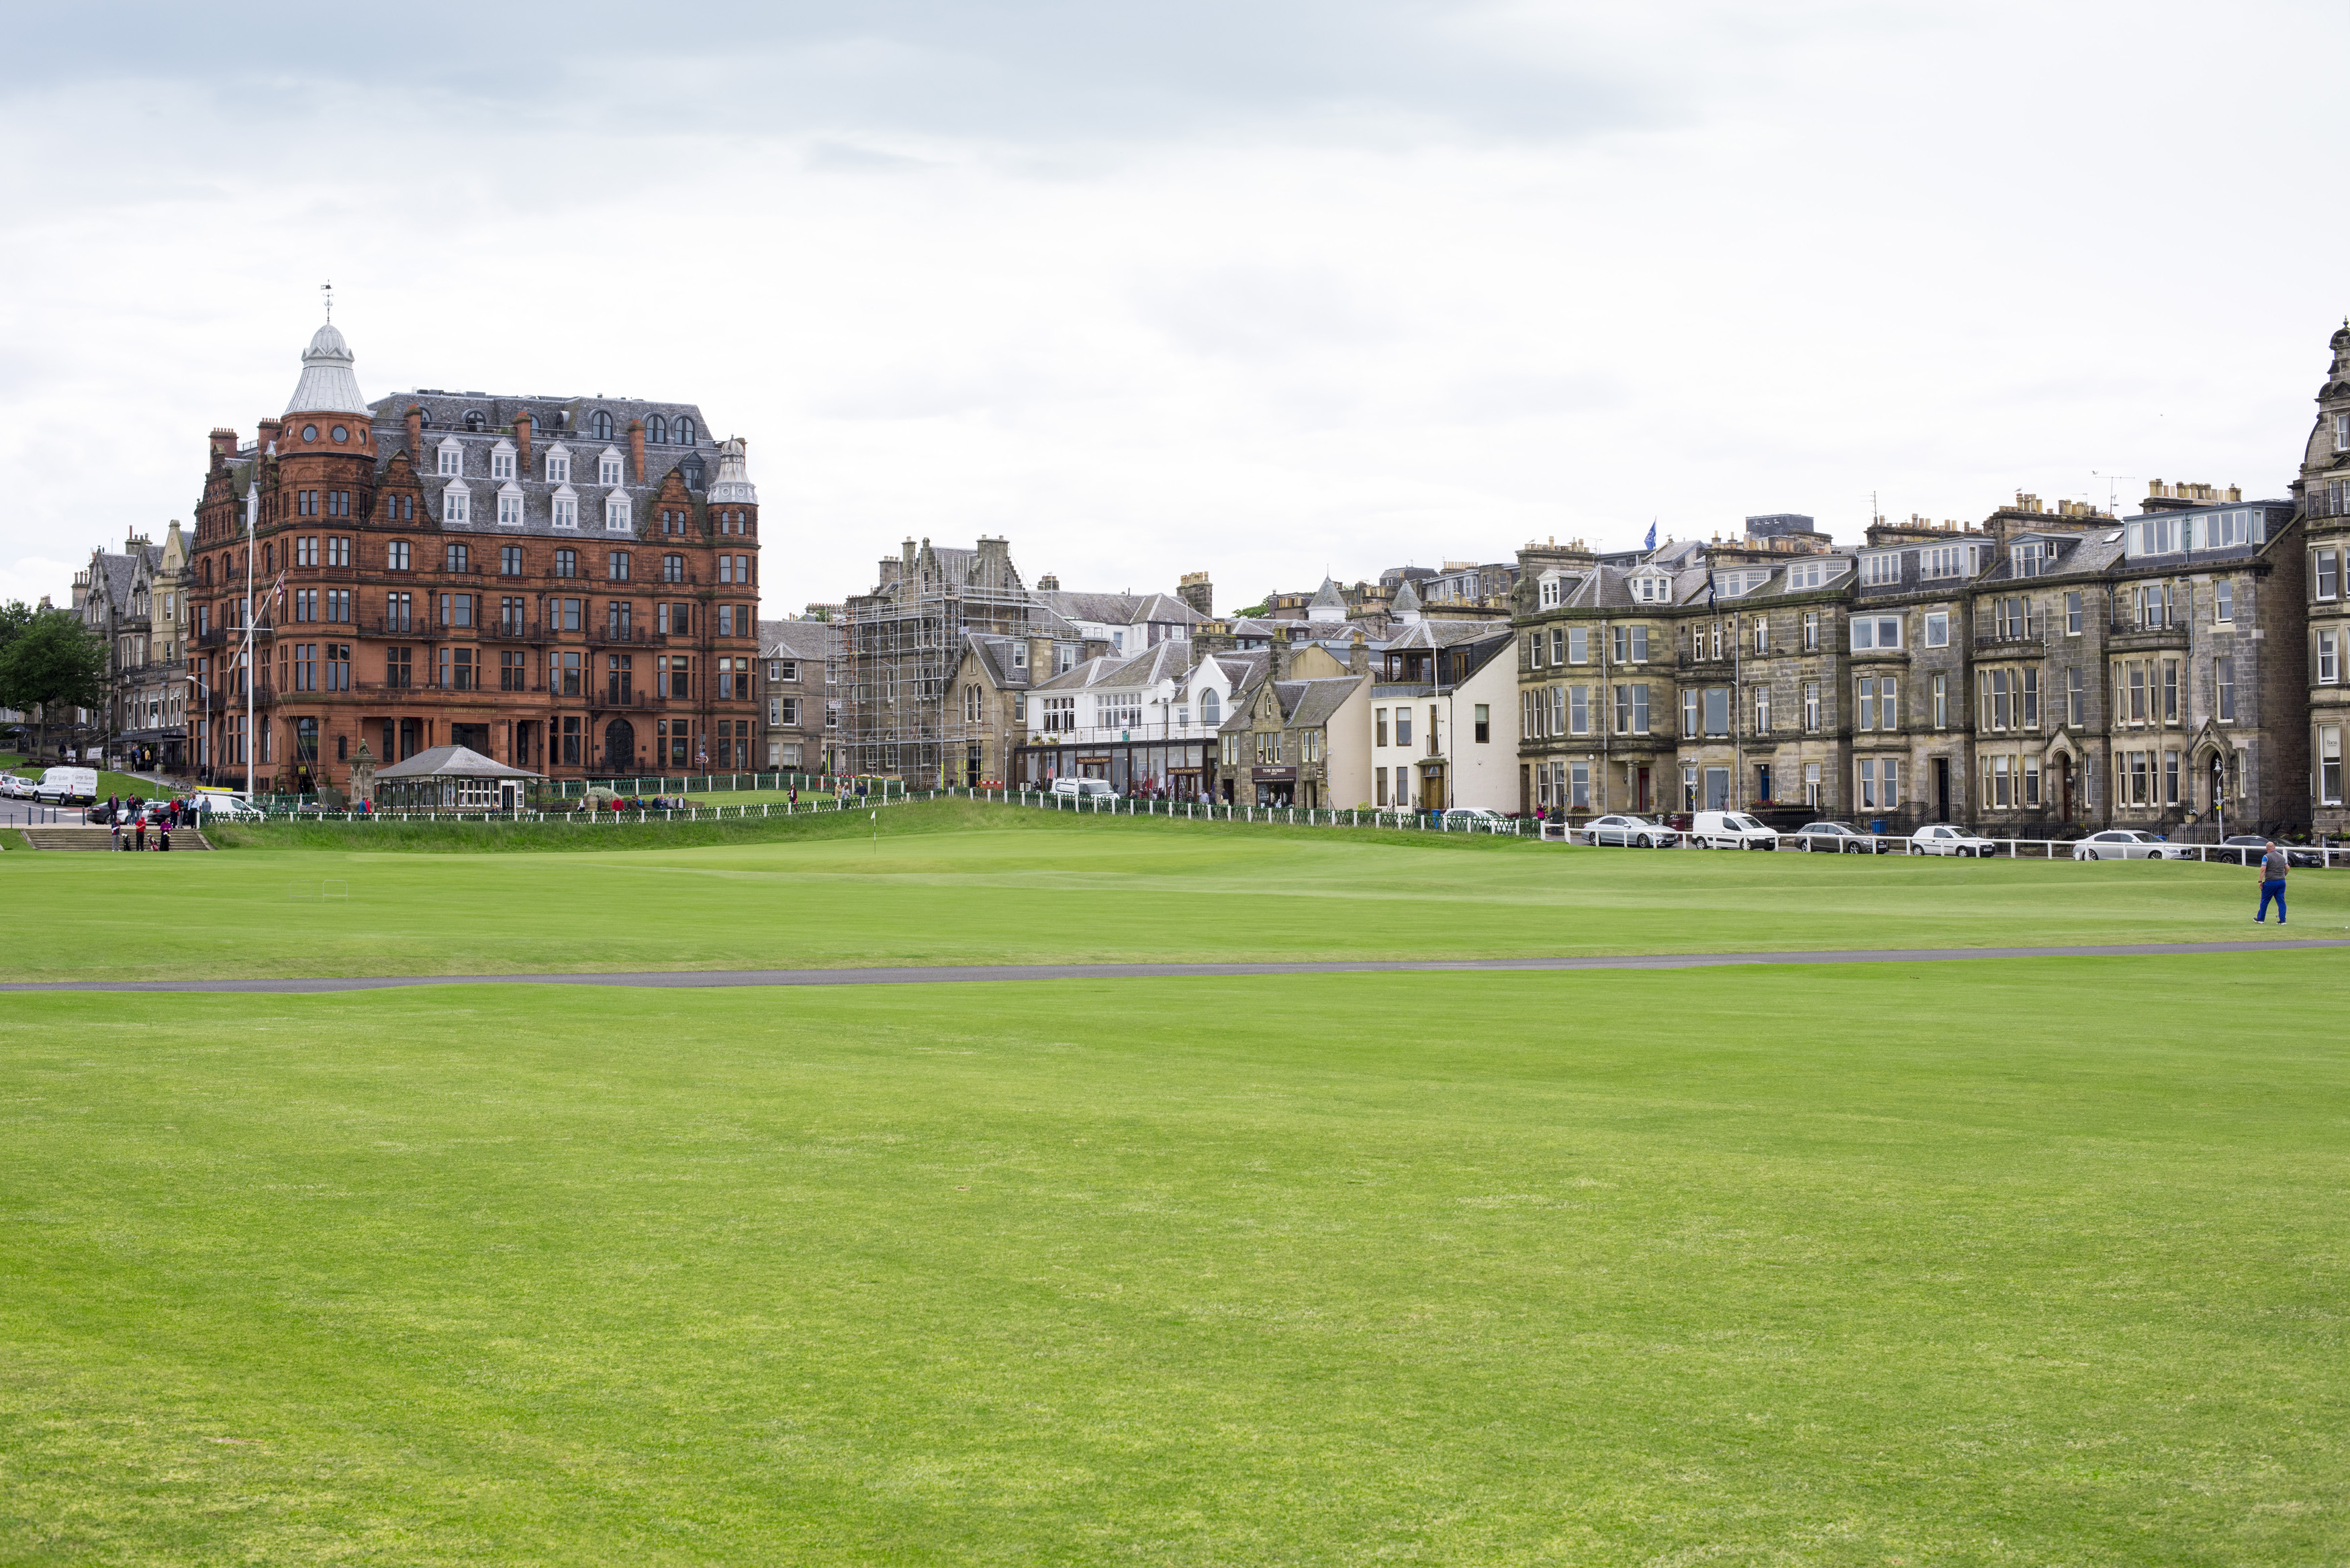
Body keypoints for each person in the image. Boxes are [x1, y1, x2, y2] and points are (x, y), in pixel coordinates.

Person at [2255, 841, 2289, 925]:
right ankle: (2282, 920)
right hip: (2281, 882)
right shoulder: (2282, 857)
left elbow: (2263, 869)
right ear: (2274, 847)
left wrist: (2260, 881)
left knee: (2265, 900)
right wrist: (2283, 876)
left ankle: (2261, 919)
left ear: (2267, 849)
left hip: (2270, 881)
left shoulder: (2266, 857)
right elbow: (2287, 868)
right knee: (2281, 901)